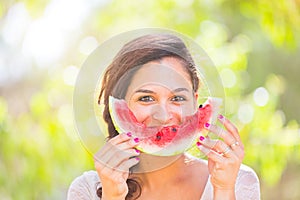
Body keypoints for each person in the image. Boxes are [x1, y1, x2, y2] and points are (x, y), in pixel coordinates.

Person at [68, 33, 260, 200]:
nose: (163, 115)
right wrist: (112, 197)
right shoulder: (87, 190)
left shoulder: (238, 181)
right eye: (146, 98)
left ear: (195, 102)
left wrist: (224, 190)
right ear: (121, 106)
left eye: (177, 98)